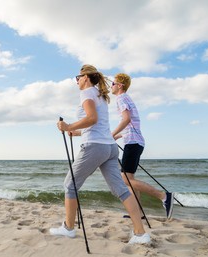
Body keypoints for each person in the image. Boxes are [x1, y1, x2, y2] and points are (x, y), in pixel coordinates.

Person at [50, 64, 150, 244]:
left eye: (78, 77)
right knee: (121, 189)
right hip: (109, 147)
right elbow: (96, 125)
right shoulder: (100, 95)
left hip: (95, 146)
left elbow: (92, 119)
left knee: (70, 185)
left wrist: (68, 127)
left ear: (86, 77)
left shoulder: (87, 93)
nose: (77, 81)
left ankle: (69, 228)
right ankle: (141, 234)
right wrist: (77, 132)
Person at [111, 73, 173, 219]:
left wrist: (111, 133)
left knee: (125, 180)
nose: (111, 86)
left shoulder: (121, 98)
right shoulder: (126, 98)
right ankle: (138, 213)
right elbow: (131, 125)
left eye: (113, 83)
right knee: (130, 178)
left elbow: (127, 119)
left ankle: (164, 196)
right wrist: (118, 135)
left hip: (133, 143)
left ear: (120, 85)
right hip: (135, 141)